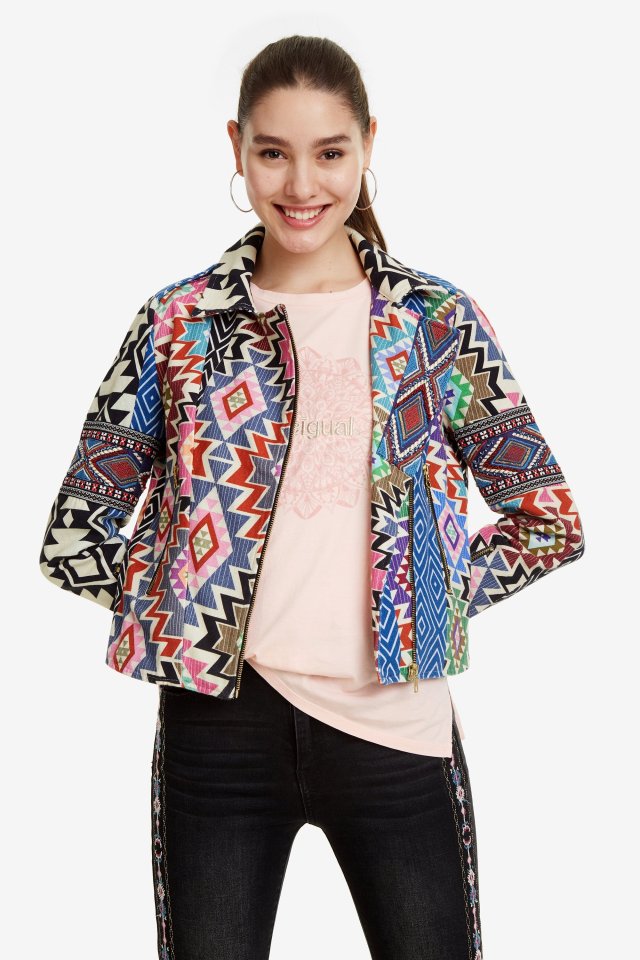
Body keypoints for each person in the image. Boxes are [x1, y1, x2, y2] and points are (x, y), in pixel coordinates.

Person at [39, 34, 585, 960]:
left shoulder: (433, 323)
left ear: (369, 143)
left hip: (396, 730)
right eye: (273, 152)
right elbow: (76, 532)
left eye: (330, 152)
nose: (302, 184)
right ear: (236, 147)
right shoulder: (180, 324)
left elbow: (548, 520)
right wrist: (183, 601)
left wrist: (430, 591)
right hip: (220, 733)